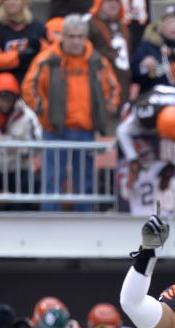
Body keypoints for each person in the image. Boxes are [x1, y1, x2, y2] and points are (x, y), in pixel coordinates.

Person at [22, 14, 121, 212]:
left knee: (85, 183)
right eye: (71, 36)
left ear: (86, 38)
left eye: (79, 36)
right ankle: (49, 225)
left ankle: (84, 226)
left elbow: (113, 89)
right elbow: (29, 88)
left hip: (85, 131)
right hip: (54, 131)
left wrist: (105, 112)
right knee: (52, 181)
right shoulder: (47, 59)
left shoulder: (97, 61)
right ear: (62, 37)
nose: (75, 41)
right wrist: (44, 111)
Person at [116, 85, 175, 198]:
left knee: (122, 131)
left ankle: (134, 159)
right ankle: (170, 165)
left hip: (168, 117)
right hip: (159, 118)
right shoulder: (147, 110)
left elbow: (134, 117)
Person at [0, 73, 43, 209]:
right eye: (2, 98)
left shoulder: (27, 115)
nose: (5, 103)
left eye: (9, 98)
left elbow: (38, 142)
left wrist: (20, 150)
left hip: (17, 169)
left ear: (15, 98)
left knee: (31, 183)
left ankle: (21, 221)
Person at [0, 0, 50, 92]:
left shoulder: (38, 28)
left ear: (24, 2)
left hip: (32, 84)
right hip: (2, 90)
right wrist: (18, 57)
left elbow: (49, 55)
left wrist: (39, 48)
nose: (11, 2)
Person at [132, 4, 175, 94]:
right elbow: (134, 75)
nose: (173, 27)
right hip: (156, 97)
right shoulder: (147, 47)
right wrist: (144, 66)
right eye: (169, 23)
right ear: (161, 26)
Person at [88, 0, 133, 101]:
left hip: (123, 79)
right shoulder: (91, 24)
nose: (113, 4)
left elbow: (129, 55)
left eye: (116, 1)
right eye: (108, 1)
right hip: (100, 79)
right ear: (100, 3)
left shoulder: (124, 27)